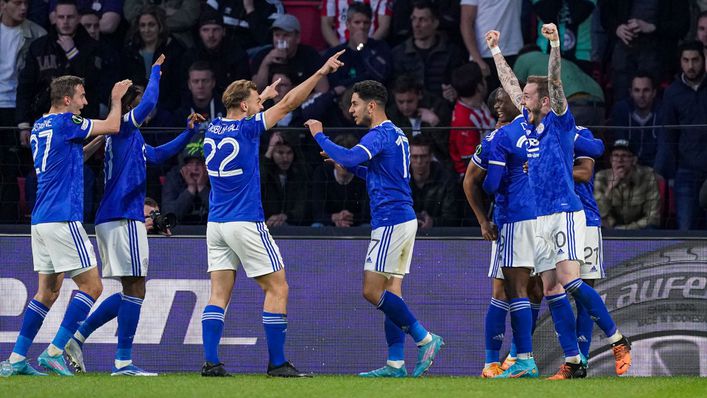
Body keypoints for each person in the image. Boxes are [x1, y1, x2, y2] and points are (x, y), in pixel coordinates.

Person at [488, 25, 632, 379]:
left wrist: (554, 45)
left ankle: (617, 339)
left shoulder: (561, 123)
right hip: (540, 217)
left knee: (569, 282)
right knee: (551, 289)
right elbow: (509, 84)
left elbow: (555, 82)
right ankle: (573, 362)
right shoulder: (526, 122)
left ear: (547, 101)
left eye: (530, 95)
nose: (523, 98)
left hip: (566, 211)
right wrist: (495, 50)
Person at [198, 50, 345, 377]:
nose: (261, 104)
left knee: (218, 293)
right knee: (278, 288)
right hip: (245, 221)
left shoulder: (213, 128)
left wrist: (259, 97)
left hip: (216, 223)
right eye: (256, 100)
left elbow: (243, 110)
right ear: (245, 107)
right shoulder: (248, 129)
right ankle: (277, 364)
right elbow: (291, 102)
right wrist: (320, 70)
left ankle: (211, 362)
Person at [62, 56, 204, 376]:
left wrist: (188, 133)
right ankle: (122, 362)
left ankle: (78, 337)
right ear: (129, 107)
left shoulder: (129, 136)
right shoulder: (125, 125)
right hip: (124, 215)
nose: (148, 110)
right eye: (140, 106)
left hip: (112, 216)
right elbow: (152, 98)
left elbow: (157, 155)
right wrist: (155, 71)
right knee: (137, 288)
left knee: (131, 289)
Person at [305, 79, 444, 378]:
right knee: (392, 292)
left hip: (391, 220)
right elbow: (373, 171)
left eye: (354, 104)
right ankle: (395, 363)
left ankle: (425, 339)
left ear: (371, 105)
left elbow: (351, 156)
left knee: (371, 291)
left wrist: (321, 137)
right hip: (401, 218)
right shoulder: (397, 134)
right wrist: (345, 163)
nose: (351, 109)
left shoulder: (378, 134)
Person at [6, 76, 132, 376]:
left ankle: (16, 359)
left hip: (41, 220)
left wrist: (97, 140)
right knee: (93, 286)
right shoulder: (67, 122)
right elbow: (114, 124)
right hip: (63, 217)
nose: (85, 102)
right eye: (82, 96)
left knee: (47, 292)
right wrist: (116, 99)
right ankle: (54, 351)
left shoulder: (40, 125)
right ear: (66, 100)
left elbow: (74, 155)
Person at [16, 0, 100, 144]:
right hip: (43, 119)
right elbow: (25, 86)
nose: (65, 21)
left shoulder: (91, 46)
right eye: (61, 17)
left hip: (80, 121)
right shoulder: (39, 47)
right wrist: (23, 124)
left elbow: (93, 82)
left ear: (78, 18)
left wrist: (72, 53)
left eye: (70, 17)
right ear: (54, 18)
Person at [0, 0, 46, 222]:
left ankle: (10, 223)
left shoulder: (37, 33)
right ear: (3, 4)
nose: (24, 7)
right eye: (17, 3)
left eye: (26, 3)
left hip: (18, 106)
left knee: (11, 168)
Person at [655, 41, 707, 230]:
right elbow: (668, 133)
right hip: (686, 170)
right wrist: (663, 170)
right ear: (680, 62)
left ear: (704, 60)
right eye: (686, 60)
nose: (691, 66)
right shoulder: (672, 93)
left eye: (695, 60)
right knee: (686, 229)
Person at [599, 0, 689, 101]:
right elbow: (605, 13)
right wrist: (617, 28)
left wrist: (652, 27)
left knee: (651, 101)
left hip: (656, 55)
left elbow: (683, 25)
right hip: (622, 54)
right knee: (622, 101)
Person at [391, 0, 465, 99]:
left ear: (435, 23)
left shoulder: (452, 52)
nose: (416, 25)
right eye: (414, 19)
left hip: (442, 109)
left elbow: (458, 85)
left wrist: (454, 92)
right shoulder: (398, 54)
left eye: (422, 20)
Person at [121, 6, 186, 111]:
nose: (146, 30)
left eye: (151, 25)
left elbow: (177, 87)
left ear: (160, 26)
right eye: (142, 25)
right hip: (135, 106)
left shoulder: (174, 50)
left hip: (167, 108)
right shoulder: (130, 51)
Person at [179, 8, 250, 98]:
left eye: (215, 30)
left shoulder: (237, 54)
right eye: (205, 30)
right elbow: (183, 89)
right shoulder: (190, 56)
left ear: (223, 31)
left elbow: (243, 88)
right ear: (199, 33)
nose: (211, 35)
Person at [251, 14, 328, 95]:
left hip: (301, 104)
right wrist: (265, 63)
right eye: (277, 35)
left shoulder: (310, 55)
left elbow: (323, 90)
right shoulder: (262, 55)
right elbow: (256, 92)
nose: (280, 40)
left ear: (297, 38)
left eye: (286, 35)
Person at [323, 3, 393, 89]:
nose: (362, 27)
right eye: (357, 22)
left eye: (366, 23)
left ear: (370, 24)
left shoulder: (380, 48)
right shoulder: (336, 54)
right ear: (348, 24)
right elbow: (335, 85)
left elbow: (382, 76)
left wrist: (363, 47)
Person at [594, 139, 660, 229]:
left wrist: (625, 229)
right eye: (616, 156)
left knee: (652, 228)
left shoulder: (647, 176)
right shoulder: (601, 177)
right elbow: (598, 213)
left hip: (639, 229)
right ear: (610, 160)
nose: (620, 160)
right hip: (610, 228)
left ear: (634, 160)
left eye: (624, 156)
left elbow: (653, 216)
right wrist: (610, 188)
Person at [459, 0, 522, 90]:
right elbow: (466, 23)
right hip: (485, 55)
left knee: (513, 100)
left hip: (513, 51)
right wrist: (477, 60)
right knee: (489, 100)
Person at [387, 74, 450, 163]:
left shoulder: (438, 108)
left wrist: (435, 123)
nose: (405, 107)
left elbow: (447, 149)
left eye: (410, 101)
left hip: (436, 164)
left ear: (419, 95)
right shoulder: (391, 115)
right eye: (401, 102)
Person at [310, 134, 369, 227]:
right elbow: (317, 210)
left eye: (349, 159)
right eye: (340, 158)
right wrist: (334, 217)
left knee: (367, 227)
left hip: (356, 223)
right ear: (332, 158)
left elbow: (368, 212)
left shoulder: (364, 175)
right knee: (317, 226)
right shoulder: (322, 173)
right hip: (329, 223)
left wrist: (351, 217)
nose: (344, 164)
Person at [449, 62, 494, 176]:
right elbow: (470, 161)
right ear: (479, 86)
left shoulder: (478, 104)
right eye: (483, 79)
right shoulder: (464, 119)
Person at [609, 72, 660, 167]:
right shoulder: (621, 110)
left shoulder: (662, 111)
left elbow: (664, 147)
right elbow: (620, 143)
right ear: (631, 92)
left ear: (654, 93)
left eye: (646, 90)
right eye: (637, 90)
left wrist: (658, 171)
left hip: (654, 167)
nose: (641, 95)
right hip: (628, 168)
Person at [408, 136, 458, 228]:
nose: (419, 161)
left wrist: (433, 223)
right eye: (414, 157)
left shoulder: (446, 180)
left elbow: (452, 217)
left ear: (430, 156)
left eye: (423, 156)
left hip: (437, 236)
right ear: (409, 158)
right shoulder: (400, 180)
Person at [261, 137, 310, 227]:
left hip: (292, 225)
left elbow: (302, 207)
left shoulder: (299, 175)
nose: (285, 158)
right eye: (280, 153)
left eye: (289, 153)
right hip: (264, 223)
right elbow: (256, 185)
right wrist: (269, 152)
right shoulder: (266, 174)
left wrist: (285, 216)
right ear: (272, 153)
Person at [162, 142, 210, 225]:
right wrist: (190, 189)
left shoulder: (216, 178)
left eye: (199, 163)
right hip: (179, 233)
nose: (194, 169)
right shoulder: (173, 178)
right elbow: (169, 216)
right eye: (190, 163)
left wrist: (202, 188)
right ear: (183, 167)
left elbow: (223, 212)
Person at [123, 0, 200, 48]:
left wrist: (150, 17)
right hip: (142, 42)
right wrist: (165, 12)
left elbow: (189, 16)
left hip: (179, 41)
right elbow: (132, 15)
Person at [320, 0, 391, 47]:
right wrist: (340, 50)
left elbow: (384, 26)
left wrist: (367, 47)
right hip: (340, 46)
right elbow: (326, 24)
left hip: (372, 47)